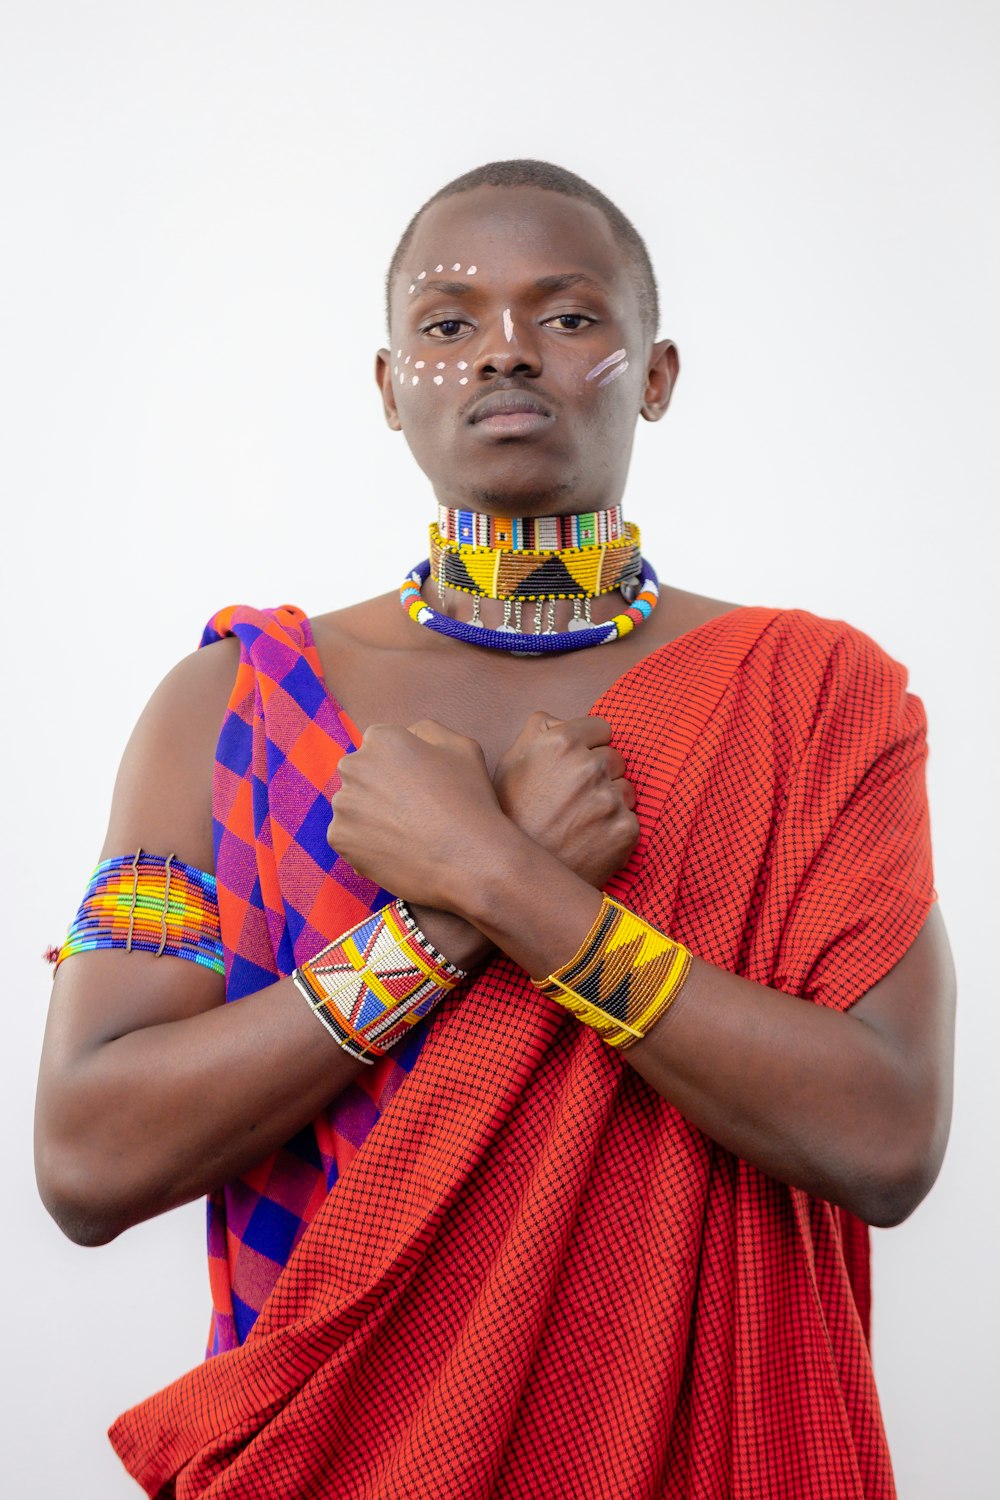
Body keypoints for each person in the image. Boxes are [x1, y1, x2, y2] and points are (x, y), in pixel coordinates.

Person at [35, 160, 955, 1500]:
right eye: (450, 323)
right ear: (389, 380)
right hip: (336, 1457)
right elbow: (86, 1156)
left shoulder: (815, 698)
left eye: (570, 316)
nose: (505, 352)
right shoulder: (233, 704)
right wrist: (439, 926)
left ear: (656, 372)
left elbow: (882, 1137)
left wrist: (512, 887)